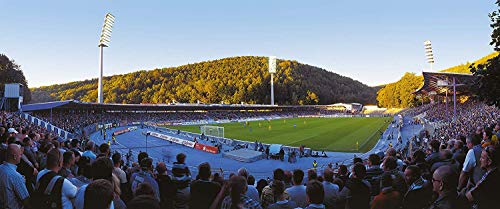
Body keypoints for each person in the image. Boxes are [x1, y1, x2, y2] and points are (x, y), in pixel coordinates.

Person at [0, 144, 31, 209]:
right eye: (20, 154)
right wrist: (21, 182)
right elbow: (27, 201)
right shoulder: (16, 176)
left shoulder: (1, 168)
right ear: (14, 156)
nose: (21, 156)